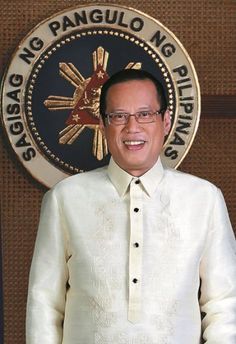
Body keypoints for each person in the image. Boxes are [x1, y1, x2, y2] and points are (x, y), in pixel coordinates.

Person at [26, 69, 236, 343]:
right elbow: (44, 305)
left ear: (166, 121)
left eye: (145, 114)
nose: (132, 127)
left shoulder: (204, 199)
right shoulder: (65, 198)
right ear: (103, 125)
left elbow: (224, 305)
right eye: (119, 116)